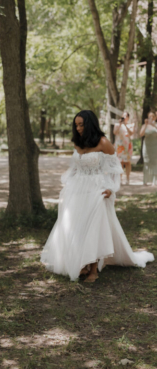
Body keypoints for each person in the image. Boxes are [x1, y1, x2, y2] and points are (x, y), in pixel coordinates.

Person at [40, 110, 154, 283]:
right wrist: (66, 186)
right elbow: (74, 168)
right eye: (76, 125)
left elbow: (116, 168)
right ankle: (83, 264)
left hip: (97, 189)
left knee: (93, 226)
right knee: (78, 226)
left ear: (90, 124)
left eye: (81, 125)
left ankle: (94, 269)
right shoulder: (78, 143)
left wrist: (111, 189)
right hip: (78, 189)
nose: (78, 128)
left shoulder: (103, 142)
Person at [113, 111, 134, 185]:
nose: (124, 117)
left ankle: (127, 179)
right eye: (123, 116)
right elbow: (115, 132)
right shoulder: (117, 124)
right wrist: (120, 124)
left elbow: (131, 133)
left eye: (126, 116)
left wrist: (125, 125)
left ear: (128, 117)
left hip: (128, 146)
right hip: (120, 146)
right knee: (120, 162)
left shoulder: (131, 125)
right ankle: (120, 179)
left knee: (128, 162)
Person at [140, 111, 157, 185]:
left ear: (154, 118)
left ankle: (155, 180)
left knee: (155, 162)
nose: (150, 118)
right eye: (149, 116)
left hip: (155, 146)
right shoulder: (144, 125)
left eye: (152, 117)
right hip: (146, 147)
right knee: (146, 162)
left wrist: (154, 125)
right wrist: (146, 125)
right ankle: (145, 181)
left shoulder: (156, 125)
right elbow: (141, 134)